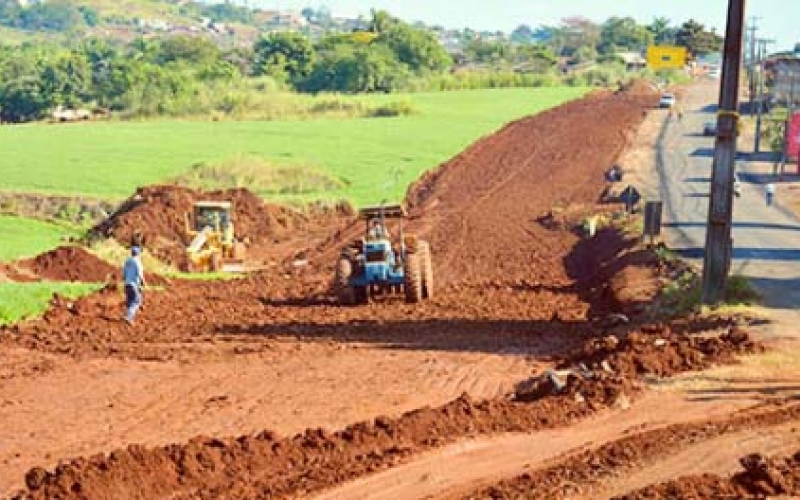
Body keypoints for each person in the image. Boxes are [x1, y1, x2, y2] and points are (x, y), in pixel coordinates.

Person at [122, 246, 146, 325]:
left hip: (127, 284)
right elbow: (140, 273)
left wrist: (125, 281)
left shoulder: (127, 261)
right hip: (134, 284)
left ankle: (128, 316)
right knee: (136, 301)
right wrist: (143, 282)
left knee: (130, 301)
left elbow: (124, 274)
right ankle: (128, 317)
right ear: (138, 253)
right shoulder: (137, 262)